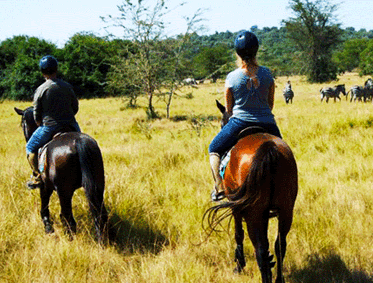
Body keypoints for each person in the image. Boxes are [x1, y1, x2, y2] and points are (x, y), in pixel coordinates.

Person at [208, 30, 282, 202]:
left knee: (214, 148)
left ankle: (219, 187)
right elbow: (270, 105)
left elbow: (229, 110)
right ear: (256, 51)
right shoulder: (267, 74)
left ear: (238, 53)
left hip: (239, 123)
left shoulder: (231, 77)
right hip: (268, 124)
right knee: (282, 154)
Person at [25, 55, 81, 189]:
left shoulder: (41, 89)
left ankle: (37, 177)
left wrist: (40, 123)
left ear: (42, 71)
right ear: (56, 69)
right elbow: (75, 107)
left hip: (49, 127)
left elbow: (36, 113)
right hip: (71, 125)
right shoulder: (67, 86)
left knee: (30, 147)